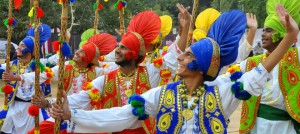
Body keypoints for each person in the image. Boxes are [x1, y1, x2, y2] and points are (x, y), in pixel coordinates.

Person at [51, 6, 298, 133]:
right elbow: (121, 115)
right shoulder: (163, 94)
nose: (181, 58)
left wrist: (290, 37)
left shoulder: (222, 91)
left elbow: (259, 72)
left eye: (188, 55)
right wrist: (74, 115)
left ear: (201, 66)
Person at [31, 11, 179, 134]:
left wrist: (183, 31)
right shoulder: (105, 78)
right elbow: (80, 99)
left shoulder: (150, 72)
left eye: (123, 47)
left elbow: (174, 57)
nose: (117, 50)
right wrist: (48, 103)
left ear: (133, 53)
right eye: (118, 46)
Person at [3, 33, 117, 134]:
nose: (77, 52)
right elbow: (41, 75)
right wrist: (17, 77)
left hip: (85, 116)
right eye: (79, 49)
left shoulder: (99, 72)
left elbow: (116, 65)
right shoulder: (65, 67)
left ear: (88, 58)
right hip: (61, 113)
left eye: (83, 52)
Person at [238, 1, 300, 134]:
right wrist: (252, 30)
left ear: (282, 34)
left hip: (285, 127)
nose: (263, 33)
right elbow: (231, 65)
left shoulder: (296, 57)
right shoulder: (253, 63)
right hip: (256, 126)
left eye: (268, 30)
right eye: (263, 29)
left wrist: (292, 32)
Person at [0, 24, 53, 134]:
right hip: (15, 108)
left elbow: (42, 74)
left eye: (22, 46)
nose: (18, 47)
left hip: (33, 109)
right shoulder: (11, 65)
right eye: (19, 45)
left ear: (30, 50)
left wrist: (17, 77)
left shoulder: (40, 66)